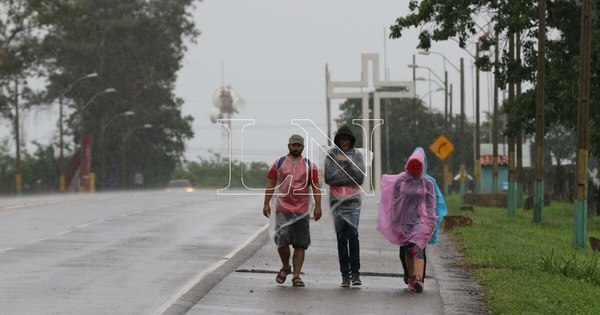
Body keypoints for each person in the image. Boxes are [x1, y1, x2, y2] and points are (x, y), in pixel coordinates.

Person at [377, 147, 444, 293]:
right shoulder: (401, 180)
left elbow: (431, 203)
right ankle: (412, 277)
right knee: (407, 250)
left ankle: (419, 278)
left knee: (417, 247)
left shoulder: (427, 183)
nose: (414, 173)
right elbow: (394, 201)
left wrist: (432, 221)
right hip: (403, 220)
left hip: (421, 221)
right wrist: (394, 220)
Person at [263, 134, 322, 287]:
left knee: (300, 243)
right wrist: (266, 203)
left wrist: (318, 206)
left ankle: (296, 276)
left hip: (302, 210)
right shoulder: (279, 163)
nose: (296, 148)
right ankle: (285, 266)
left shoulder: (310, 166)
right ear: (289, 146)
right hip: (282, 208)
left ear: (303, 147)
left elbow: (316, 187)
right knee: (281, 241)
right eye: (294, 145)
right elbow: (271, 183)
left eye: (299, 145)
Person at [324, 125, 366, 287]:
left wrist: (346, 163)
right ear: (338, 140)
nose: (344, 142)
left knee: (353, 236)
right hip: (336, 201)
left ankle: (356, 274)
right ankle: (345, 275)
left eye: (347, 139)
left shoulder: (357, 156)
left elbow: (360, 178)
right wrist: (346, 177)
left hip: (353, 201)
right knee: (341, 238)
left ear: (351, 140)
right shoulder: (331, 156)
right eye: (341, 139)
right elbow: (329, 178)